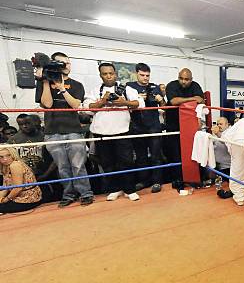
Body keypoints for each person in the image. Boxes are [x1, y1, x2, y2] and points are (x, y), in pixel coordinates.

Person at [35, 51, 94, 207]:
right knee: (62, 167)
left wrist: (62, 88)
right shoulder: (43, 82)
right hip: (52, 132)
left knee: (78, 165)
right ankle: (69, 194)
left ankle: (86, 193)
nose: (66, 65)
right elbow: (47, 104)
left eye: (68, 62)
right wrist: (46, 81)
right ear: (54, 65)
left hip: (73, 130)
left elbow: (75, 105)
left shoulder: (76, 84)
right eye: (62, 63)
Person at [86, 62, 142, 202]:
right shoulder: (94, 90)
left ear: (115, 74)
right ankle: (114, 189)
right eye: (105, 74)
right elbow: (87, 108)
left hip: (122, 131)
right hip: (101, 132)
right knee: (107, 163)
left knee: (127, 161)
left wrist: (123, 102)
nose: (108, 76)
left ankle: (129, 189)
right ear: (100, 75)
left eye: (111, 73)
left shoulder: (126, 89)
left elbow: (139, 103)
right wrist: (102, 101)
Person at [126, 63, 166, 193]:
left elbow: (164, 107)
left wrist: (160, 99)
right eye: (142, 75)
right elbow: (127, 105)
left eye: (147, 75)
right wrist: (138, 99)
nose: (145, 78)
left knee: (156, 155)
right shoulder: (130, 87)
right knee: (141, 156)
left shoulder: (155, 87)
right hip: (137, 126)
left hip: (154, 126)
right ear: (136, 74)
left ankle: (157, 182)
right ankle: (144, 181)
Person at [164, 68, 205, 185]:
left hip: (190, 126)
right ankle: (177, 180)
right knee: (175, 153)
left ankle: (193, 178)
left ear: (191, 80)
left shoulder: (195, 86)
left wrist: (187, 101)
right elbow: (173, 101)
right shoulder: (172, 85)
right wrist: (192, 99)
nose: (183, 81)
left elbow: (201, 100)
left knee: (193, 151)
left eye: (186, 79)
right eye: (181, 78)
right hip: (173, 125)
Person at [0, 147, 42, 214]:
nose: (5, 159)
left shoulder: (15, 165)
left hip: (28, 199)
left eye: (8, 155)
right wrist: (0, 197)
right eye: (1, 157)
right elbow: (5, 187)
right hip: (17, 196)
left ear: (13, 154)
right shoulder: (5, 166)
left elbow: (18, 188)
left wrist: (6, 199)